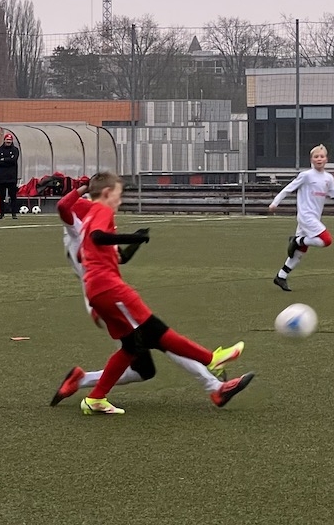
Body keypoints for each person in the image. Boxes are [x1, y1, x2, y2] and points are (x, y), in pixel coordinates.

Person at [52, 172, 253, 416]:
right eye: (118, 195)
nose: (119, 201)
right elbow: (71, 212)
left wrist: (136, 240)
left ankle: (86, 385)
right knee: (158, 336)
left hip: (100, 293)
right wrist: (86, 189)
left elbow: (116, 255)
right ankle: (214, 378)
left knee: (142, 365)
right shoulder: (83, 222)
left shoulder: (88, 224)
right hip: (105, 293)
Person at [269, 144, 334, 292]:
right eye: (316, 157)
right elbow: (288, 189)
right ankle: (297, 240)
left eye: (322, 156)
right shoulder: (306, 175)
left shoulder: (328, 178)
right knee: (326, 240)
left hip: (314, 218)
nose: (319, 159)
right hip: (306, 216)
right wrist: (275, 203)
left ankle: (281, 276)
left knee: (299, 252)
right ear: (311, 159)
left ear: (326, 159)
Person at [0, 133, 21, 220]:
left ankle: (14, 214)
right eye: (7, 140)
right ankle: (1, 214)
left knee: (13, 196)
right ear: (4, 140)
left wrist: (4, 160)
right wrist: (8, 160)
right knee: (1, 197)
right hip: (1, 178)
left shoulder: (15, 150)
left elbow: (13, 160)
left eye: (10, 140)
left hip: (11, 178)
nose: (8, 141)